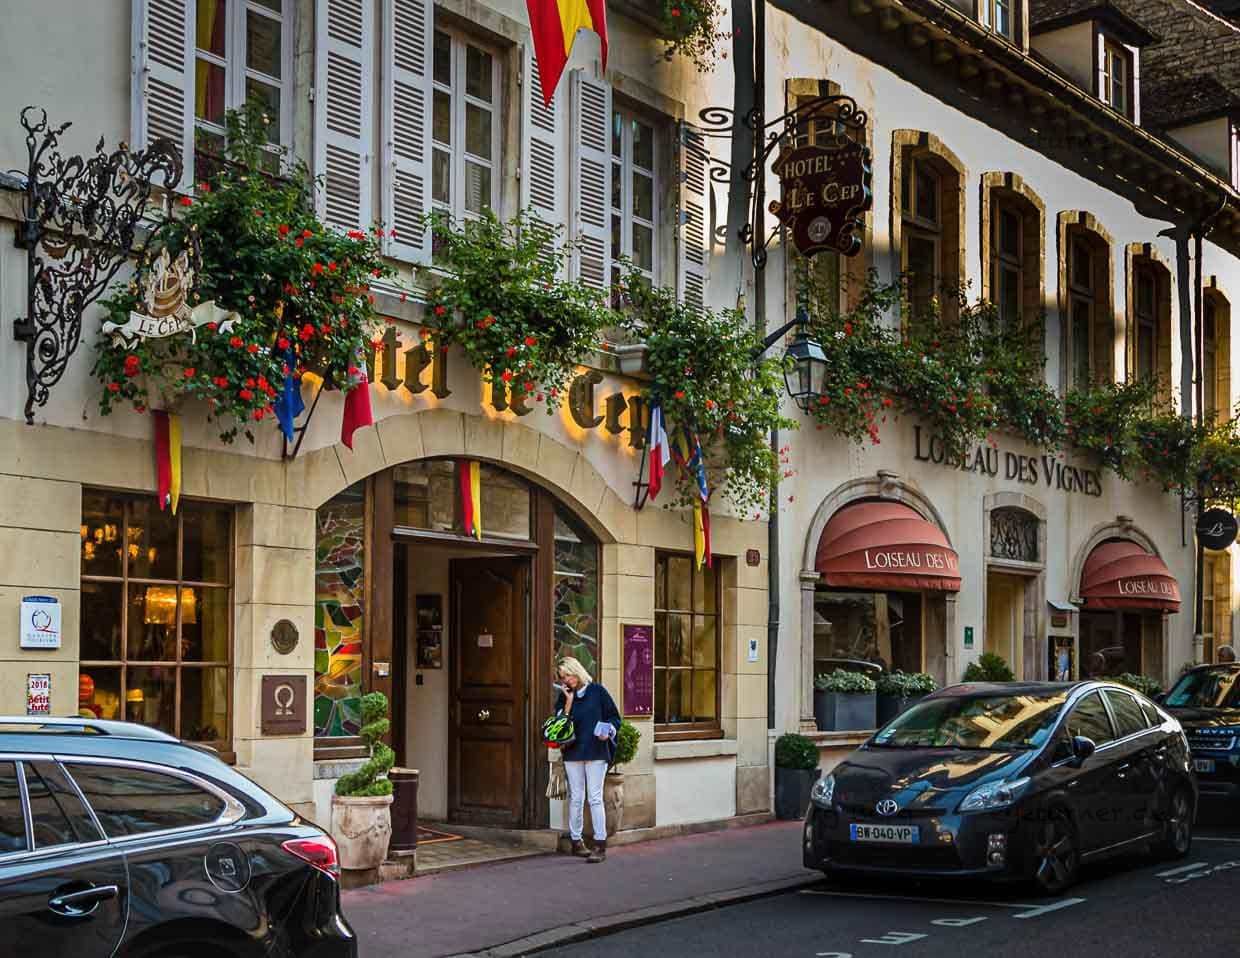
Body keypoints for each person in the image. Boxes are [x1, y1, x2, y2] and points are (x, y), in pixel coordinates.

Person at [554, 656, 621, 863]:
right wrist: (568, 702)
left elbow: (614, 717)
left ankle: (600, 844)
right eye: (562, 677)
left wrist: (607, 731)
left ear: (577, 672)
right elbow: (559, 725)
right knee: (576, 797)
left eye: (568, 676)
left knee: (594, 797)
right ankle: (576, 841)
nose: (565, 681)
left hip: (595, 751)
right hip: (573, 752)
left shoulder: (597, 691)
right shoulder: (564, 696)